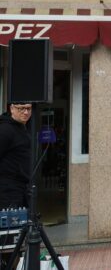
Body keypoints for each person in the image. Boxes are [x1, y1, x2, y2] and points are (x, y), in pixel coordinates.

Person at [0, 103, 31, 269]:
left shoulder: (21, 128)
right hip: (7, 194)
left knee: (16, 244)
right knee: (8, 245)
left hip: (20, 191)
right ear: (12, 108)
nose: (26, 112)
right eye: (21, 108)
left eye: (29, 108)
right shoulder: (5, 130)